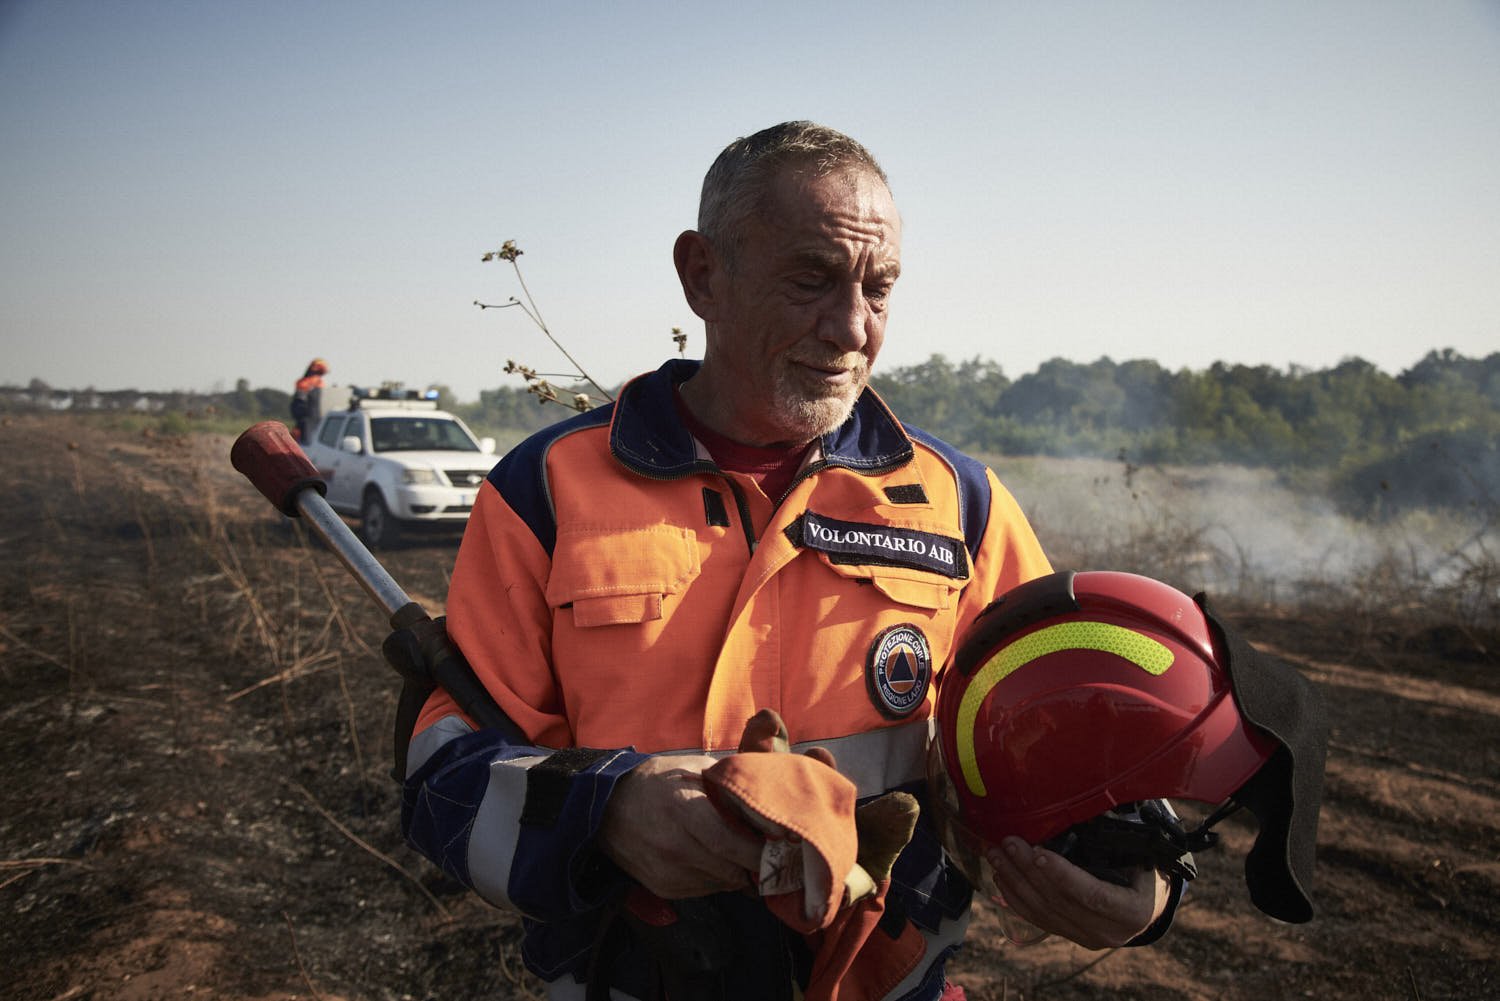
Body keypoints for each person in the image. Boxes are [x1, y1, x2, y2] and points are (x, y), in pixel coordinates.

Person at [400, 122, 1177, 1001]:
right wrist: (606, 811)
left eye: (878, 289)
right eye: (811, 279)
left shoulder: (959, 502)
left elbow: (1067, 731)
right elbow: (442, 777)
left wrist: (1141, 872)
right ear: (703, 275)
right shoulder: (545, 491)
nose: (852, 328)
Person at [290, 358, 328, 443]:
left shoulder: (317, 382)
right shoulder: (305, 382)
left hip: (314, 416)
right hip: (308, 417)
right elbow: (299, 401)